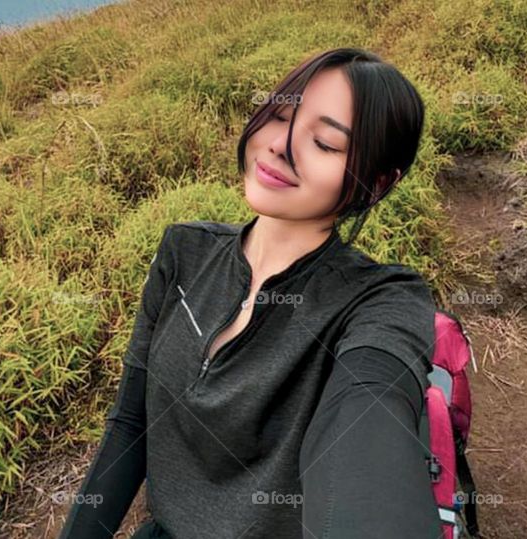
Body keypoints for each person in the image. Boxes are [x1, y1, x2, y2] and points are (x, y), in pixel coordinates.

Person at [58, 47, 441, 539]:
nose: (279, 144)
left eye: (324, 143)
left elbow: (367, 425)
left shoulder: (378, 301)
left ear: (377, 183)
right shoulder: (184, 253)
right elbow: (131, 424)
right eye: (280, 115)